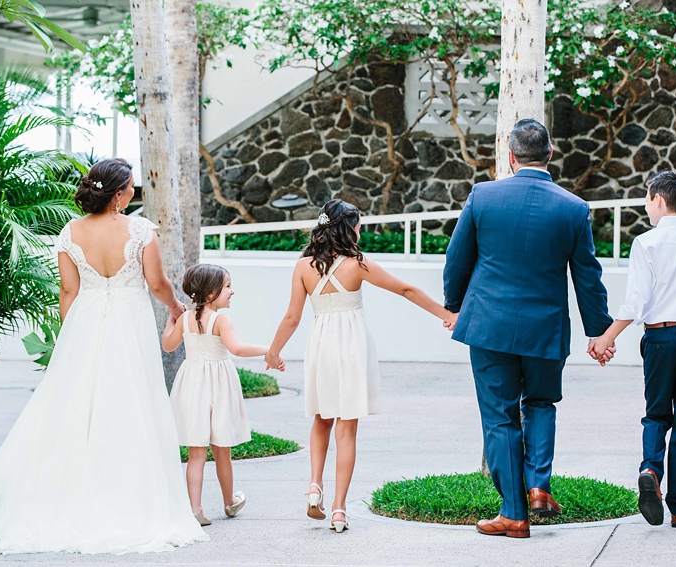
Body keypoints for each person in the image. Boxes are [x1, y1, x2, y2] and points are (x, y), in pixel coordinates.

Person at [0, 158, 208, 554]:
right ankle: (127, 495)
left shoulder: (70, 232)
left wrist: (70, 336)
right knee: (131, 402)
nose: (133, 191)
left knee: (75, 406)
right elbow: (157, 282)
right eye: (130, 186)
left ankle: (63, 495)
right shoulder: (141, 230)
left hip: (85, 321)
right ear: (118, 194)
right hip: (129, 323)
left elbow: (68, 292)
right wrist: (175, 307)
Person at [443, 119, 615, 539]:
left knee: (500, 417)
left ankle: (514, 513)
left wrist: (454, 305)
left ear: (510, 154)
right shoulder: (573, 207)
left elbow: (457, 259)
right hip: (546, 331)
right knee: (540, 404)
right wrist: (599, 331)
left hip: (488, 327)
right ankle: (538, 483)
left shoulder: (483, 196)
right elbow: (587, 278)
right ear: (550, 154)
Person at [265, 199, 456, 533]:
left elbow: (292, 317)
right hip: (351, 346)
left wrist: (273, 352)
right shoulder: (358, 264)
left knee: (321, 419)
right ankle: (339, 509)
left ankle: (314, 486)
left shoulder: (303, 266)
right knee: (347, 428)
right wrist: (445, 314)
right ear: (347, 228)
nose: (360, 231)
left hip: (322, 344)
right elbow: (405, 289)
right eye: (358, 226)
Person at [590, 170, 676, 528]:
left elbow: (635, 303)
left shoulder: (645, 244)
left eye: (647, 199)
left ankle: (650, 467)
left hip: (660, 339)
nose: (646, 205)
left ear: (659, 201)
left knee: (656, 414)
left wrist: (607, 337)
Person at [163, 264, 284, 527]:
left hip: (192, 384)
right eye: (227, 286)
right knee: (222, 450)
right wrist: (270, 350)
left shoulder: (185, 319)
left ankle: (195, 508)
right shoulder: (220, 320)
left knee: (196, 452)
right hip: (217, 386)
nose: (232, 291)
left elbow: (168, 345)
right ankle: (229, 501)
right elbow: (237, 349)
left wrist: (170, 319)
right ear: (209, 294)